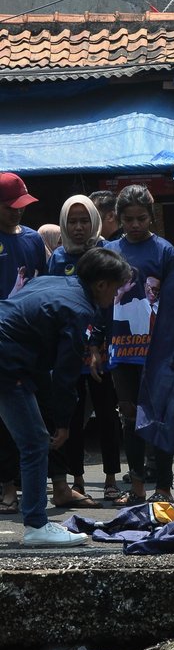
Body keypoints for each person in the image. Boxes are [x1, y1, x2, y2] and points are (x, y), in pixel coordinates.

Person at [0, 247, 131, 546]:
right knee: (34, 442)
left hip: (8, 354)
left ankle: (36, 523)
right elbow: (64, 374)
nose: (116, 296)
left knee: (29, 439)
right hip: (6, 360)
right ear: (101, 285)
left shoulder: (54, 282)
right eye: (116, 288)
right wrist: (62, 422)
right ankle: (35, 525)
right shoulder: (79, 310)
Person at [105, 184, 174, 506]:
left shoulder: (165, 251)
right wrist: (94, 343)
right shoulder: (108, 251)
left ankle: (164, 487)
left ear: (152, 217)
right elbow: (99, 300)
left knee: (158, 416)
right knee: (129, 416)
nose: (135, 225)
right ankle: (136, 487)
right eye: (129, 219)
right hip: (120, 349)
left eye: (142, 218)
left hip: (157, 349)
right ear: (119, 218)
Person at [48, 194, 122, 504]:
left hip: (103, 348)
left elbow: (109, 306)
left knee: (108, 414)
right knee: (72, 416)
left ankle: (110, 479)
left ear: (94, 220)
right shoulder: (58, 259)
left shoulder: (107, 252)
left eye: (84, 220)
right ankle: (76, 479)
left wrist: (98, 342)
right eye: (73, 221)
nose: (79, 227)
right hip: (69, 349)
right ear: (65, 223)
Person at [0, 172, 46, 515]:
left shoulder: (32, 240)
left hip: (29, 347)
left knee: (31, 428)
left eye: (21, 206)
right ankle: (9, 488)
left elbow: (43, 288)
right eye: (10, 207)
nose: (17, 212)